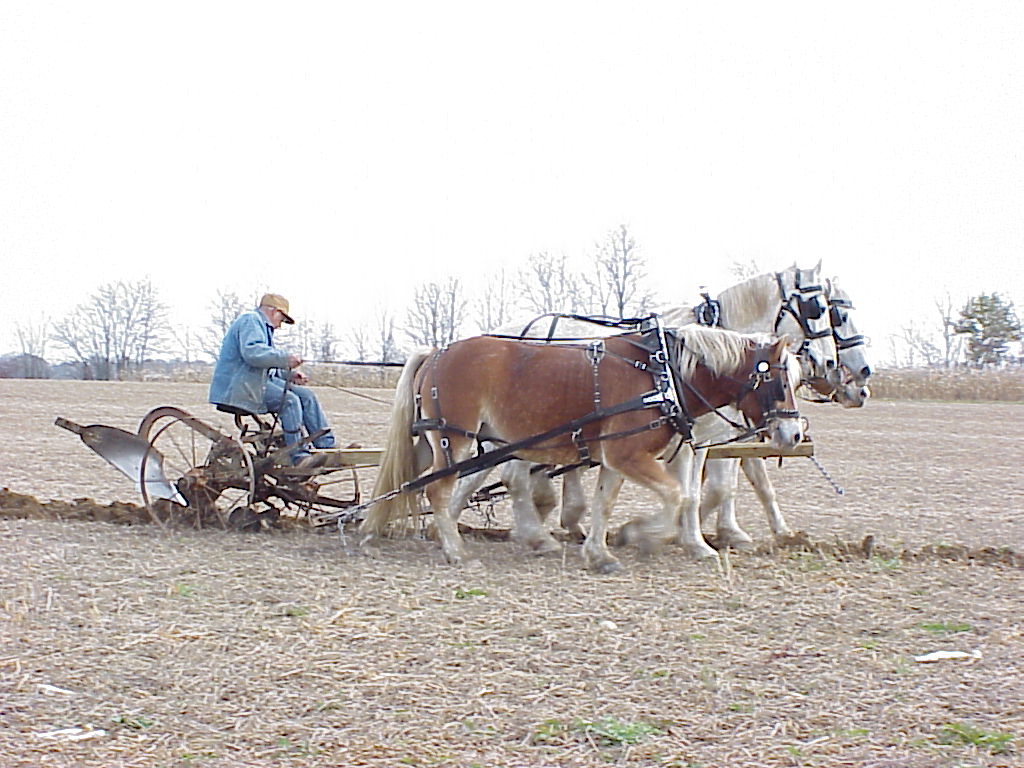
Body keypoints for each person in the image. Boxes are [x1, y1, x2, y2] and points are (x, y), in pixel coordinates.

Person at [208, 293, 335, 464]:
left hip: (255, 383)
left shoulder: (262, 327)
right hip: (239, 388)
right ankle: (299, 457)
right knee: (290, 401)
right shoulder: (250, 320)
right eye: (282, 319)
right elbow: (252, 353)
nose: (280, 325)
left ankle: (328, 448)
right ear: (274, 311)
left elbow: (266, 368)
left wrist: (289, 375)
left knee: (306, 396)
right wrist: (285, 359)